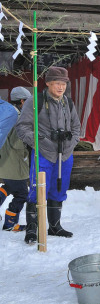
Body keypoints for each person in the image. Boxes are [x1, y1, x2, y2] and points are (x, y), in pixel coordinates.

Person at [16, 66, 80, 244]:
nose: (61, 87)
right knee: (37, 190)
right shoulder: (35, 101)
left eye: (64, 84)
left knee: (59, 189)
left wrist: (72, 142)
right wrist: (40, 141)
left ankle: (54, 226)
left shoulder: (68, 102)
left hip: (65, 155)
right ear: (48, 83)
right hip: (43, 153)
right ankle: (32, 229)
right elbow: (22, 127)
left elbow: (76, 127)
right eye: (57, 83)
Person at [0, 87, 31, 231]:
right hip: (15, 162)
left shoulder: (6, 113)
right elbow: (17, 143)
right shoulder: (18, 117)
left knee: (8, 187)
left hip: (6, 161)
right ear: (22, 101)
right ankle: (10, 223)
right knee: (22, 193)